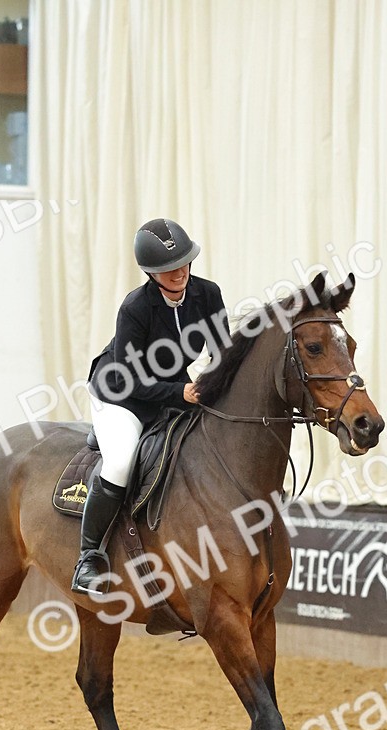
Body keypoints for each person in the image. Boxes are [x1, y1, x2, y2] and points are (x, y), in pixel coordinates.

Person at [71, 218, 230, 596]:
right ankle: (88, 558)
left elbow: (224, 352)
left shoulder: (207, 295)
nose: (179, 273)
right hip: (120, 394)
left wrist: (213, 386)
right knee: (122, 462)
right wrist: (182, 394)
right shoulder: (135, 308)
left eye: (184, 263)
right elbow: (130, 379)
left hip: (174, 390)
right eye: (167, 269)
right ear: (151, 273)